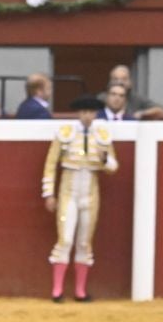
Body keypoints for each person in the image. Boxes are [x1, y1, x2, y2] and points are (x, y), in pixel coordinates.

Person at [41, 94, 117, 302]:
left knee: (84, 243)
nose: (87, 116)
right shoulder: (66, 133)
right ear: (78, 113)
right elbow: (50, 164)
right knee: (65, 239)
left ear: (95, 114)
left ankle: (80, 292)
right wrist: (49, 193)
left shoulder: (102, 135)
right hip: (68, 192)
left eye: (91, 112)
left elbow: (112, 167)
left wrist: (104, 158)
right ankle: (57, 290)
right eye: (84, 112)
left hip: (91, 194)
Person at [98, 64, 163, 119]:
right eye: (115, 79)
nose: (119, 82)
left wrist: (142, 113)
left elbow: (162, 110)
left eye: (124, 79)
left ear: (130, 82)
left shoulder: (137, 99)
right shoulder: (101, 98)